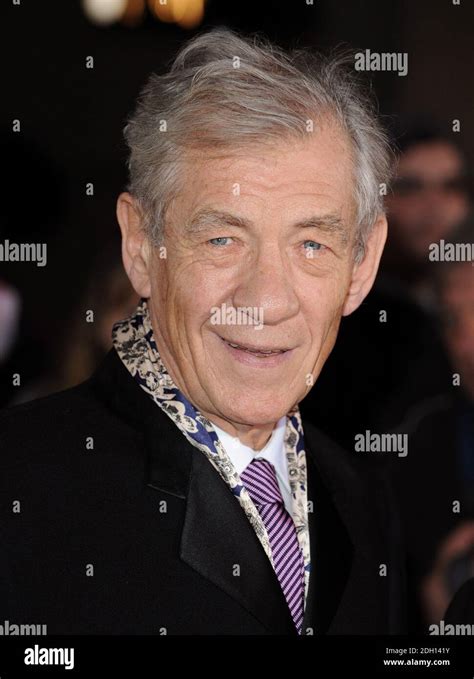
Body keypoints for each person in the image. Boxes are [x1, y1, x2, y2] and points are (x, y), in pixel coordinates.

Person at [0, 29, 405, 635]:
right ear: (140, 247)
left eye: (312, 243)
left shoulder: (362, 499)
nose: (265, 301)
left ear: (363, 264)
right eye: (222, 239)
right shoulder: (20, 486)